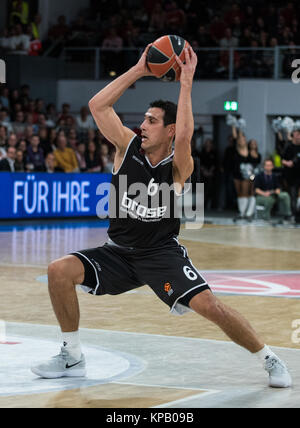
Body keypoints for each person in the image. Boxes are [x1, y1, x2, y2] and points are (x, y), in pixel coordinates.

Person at [31, 45, 291, 389]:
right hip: (118, 253)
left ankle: (268, 357)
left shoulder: (180, 166)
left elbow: (185, 135)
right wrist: (139, 69)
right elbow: (98, 105)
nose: (142, 126)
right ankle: (72, 356)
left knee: (210, 306)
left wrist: (186, 83)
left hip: (160, 254)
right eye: (143, 119)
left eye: (151, 121)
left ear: (169, 131)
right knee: (58, 271)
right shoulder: (126, 147)